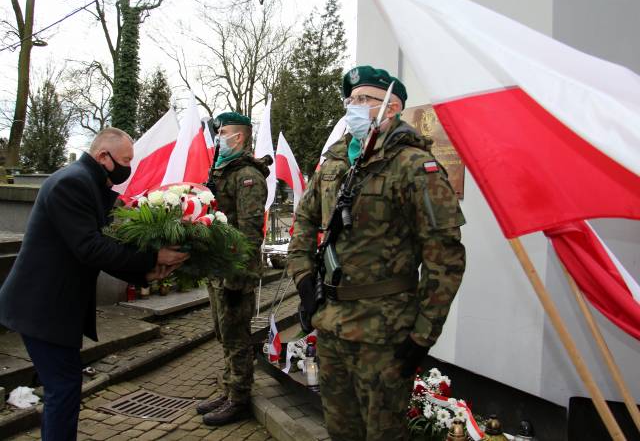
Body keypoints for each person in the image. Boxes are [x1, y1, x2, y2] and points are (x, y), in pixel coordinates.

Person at [287, 66, 466, 441]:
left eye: (364, 99)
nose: (353, 106)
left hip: (385, 333)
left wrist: (422, 336)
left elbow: (444, 258)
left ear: (392, 107)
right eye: (350, 100)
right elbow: (303, 221)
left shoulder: (416, 166)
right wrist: (305, 282)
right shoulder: (336, 161)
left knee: (383, 434)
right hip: (332, 323)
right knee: (340, 429)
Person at [0, 127, 189, 441]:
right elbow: (91, 248)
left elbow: (112, 242)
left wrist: (146, 273)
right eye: (125, 161)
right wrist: (155, 256)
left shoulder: (90, 184)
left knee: (64, 386)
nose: (128, 169)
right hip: (41, 308)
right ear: (103, 156)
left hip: (55, 309)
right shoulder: (71, 183)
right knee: (63, 388)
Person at [197, 112, 271, 426]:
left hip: (235, 271)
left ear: (238, 138)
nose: (219, 138)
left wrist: (237, 274)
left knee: (236, 334)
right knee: (223, 332)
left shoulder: (247, 176)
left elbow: (251, 231)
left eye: (223, 132)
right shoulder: (223, 170)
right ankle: (229, 388)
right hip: (218, 267)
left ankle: (239, 397)